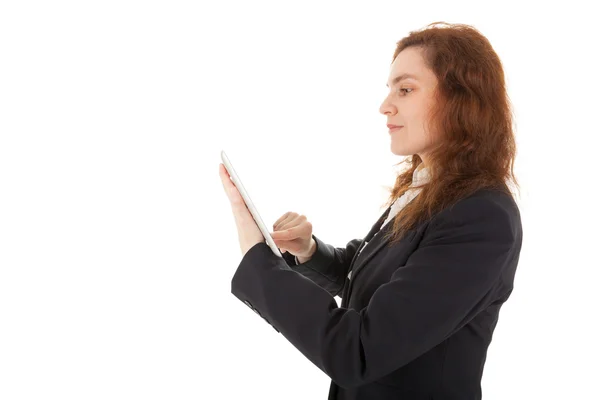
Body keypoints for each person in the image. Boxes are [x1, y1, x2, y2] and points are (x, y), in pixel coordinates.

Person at [220, 21, 523, 400]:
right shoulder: (429, 189)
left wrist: (257, 258)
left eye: (406, 89)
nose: (385, 106)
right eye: (390, 89)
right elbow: (371, 279)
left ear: (462, 100)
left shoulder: (481, 216)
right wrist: (309, 251)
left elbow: (359, 351)